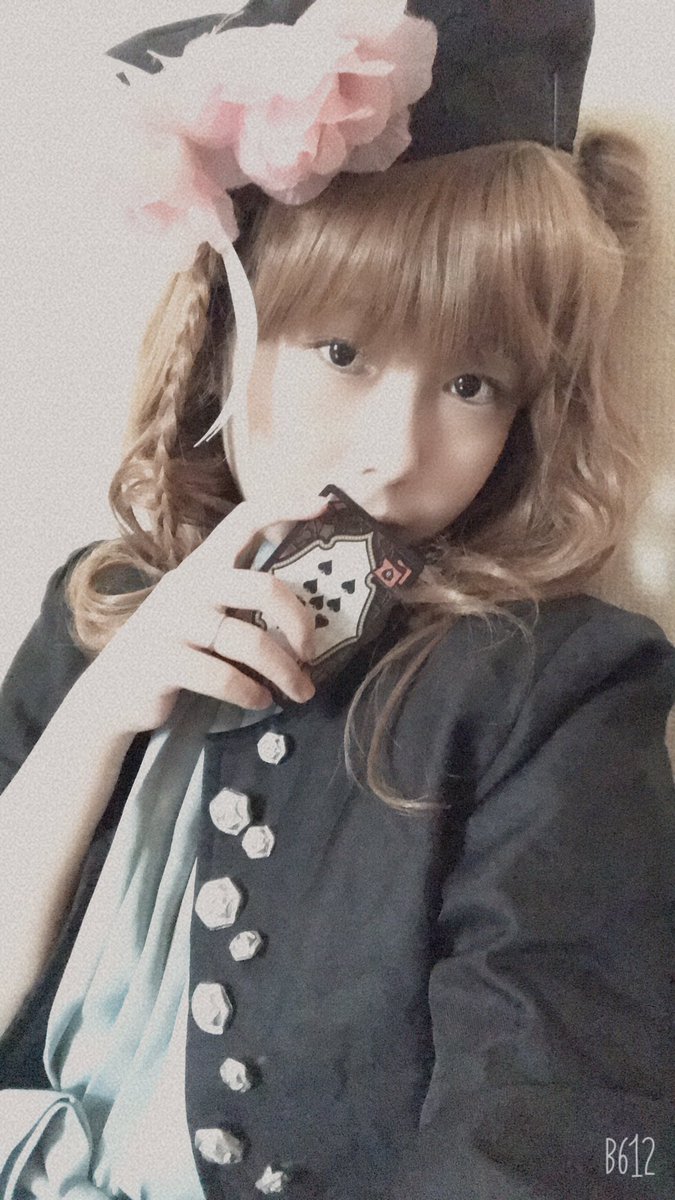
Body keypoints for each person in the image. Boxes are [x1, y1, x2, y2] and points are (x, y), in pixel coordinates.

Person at [0, 2, 673, 1197]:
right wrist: (93, 721)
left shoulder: (553, 689)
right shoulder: (98, 605)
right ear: (228, 330)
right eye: (343, 353)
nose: (393, 454)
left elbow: (563, 1115)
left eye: (472, 383)